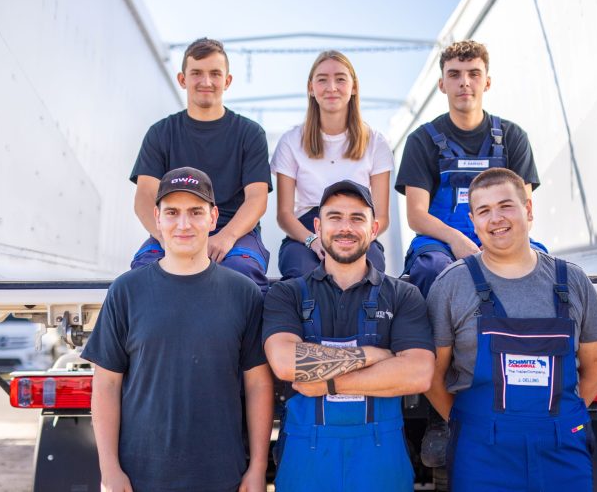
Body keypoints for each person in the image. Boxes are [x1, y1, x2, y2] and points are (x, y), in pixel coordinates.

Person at [83, 167, 273, 492]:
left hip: (222, 476)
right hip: (142, 478)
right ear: (156, 217)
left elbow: (257, 385)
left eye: (195, 212)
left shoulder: (243, 294)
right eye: (172, 212)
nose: (183, 224)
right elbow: (106, 385)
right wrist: (109, 470)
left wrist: (256, 468)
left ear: (213, 218)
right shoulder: (126, 292)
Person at [425, 168, 597, 491]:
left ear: (528, 209)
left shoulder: (572, 282)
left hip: (562, 453)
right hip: (481, 455)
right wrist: (471, 425)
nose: (496, 218)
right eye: (484, 211)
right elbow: (432, 376)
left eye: (506, 206)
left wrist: (558, 422)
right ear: (472, 220)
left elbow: (596, 369)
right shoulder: (452, 285)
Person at [263, 180, 435, 492]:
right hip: (306, 463)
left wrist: (327, 382)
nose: (345, 227)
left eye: (357, 218)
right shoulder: (286, 294)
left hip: (381, 464)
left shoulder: (403, 296)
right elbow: (287, 363)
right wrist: (375, 357)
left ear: (374, 228)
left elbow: (419, 373)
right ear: (317, 226)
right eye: (335, 217)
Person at [395, 40, 542, 298]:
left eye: (474, 74)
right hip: (441, 243)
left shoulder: (513, 137)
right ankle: (441, 338)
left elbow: (524, 209)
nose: (464, 82)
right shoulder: (422, 140)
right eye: (454, 74)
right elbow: (416, 216)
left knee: (541, 265)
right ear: (442, 84)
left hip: (503, 234)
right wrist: (456, 240)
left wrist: (494, 243)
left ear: (487, 82)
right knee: (434, 269)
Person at [130, 38, 272, 294]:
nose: (206, 82)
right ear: (183, 79)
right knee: (143, 274)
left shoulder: (249, 133)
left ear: (227, 81)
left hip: (235, 231)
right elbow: (144, 197)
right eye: (197, 73)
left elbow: (257, 199)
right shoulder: (161, 133)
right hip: (176, 228)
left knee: (242, 277)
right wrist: (167, 238)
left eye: (215, 74)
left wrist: (226, 237)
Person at [271, 50, 393, 279]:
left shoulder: (376, 142)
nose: (331, 87)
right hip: (306, 231)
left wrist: (354, 240)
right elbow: (285, 214)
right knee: (302, 274)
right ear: (310, 88)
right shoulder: (290, 141)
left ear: (354, 87)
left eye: (340, 79)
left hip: (358, 228)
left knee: (370, 272)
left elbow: (382, 217)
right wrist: (313, 240)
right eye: (322, 80)